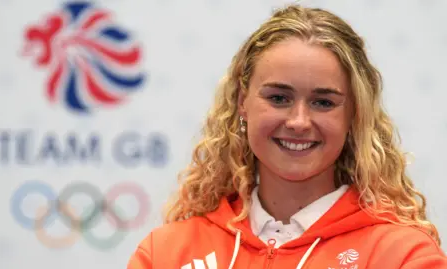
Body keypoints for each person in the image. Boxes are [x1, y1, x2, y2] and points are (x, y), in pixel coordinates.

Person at [127, 4, 447, 269]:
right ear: (242, 102)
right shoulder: (166, 253)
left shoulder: (402, 256)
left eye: (323, 102)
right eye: (279, 98)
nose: (298, 121)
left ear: (354, 115)